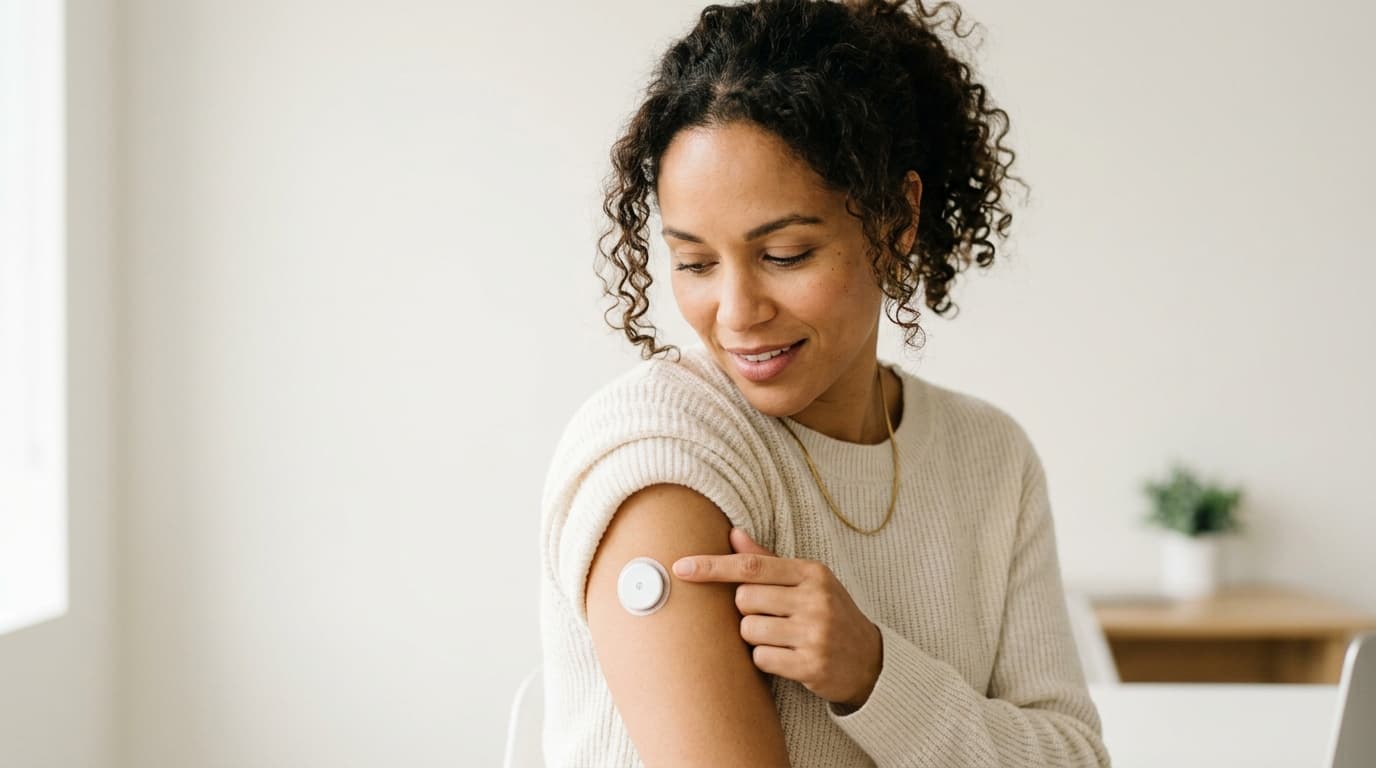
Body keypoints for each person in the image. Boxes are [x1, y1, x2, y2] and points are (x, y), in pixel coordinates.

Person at [538, 0, 1111, 765]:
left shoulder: (990, 459)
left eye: (785, 255)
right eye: (696, 263)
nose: (737, 314)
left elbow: (1075, 756)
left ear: (897, 219)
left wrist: (875, 676)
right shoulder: (663, 455)